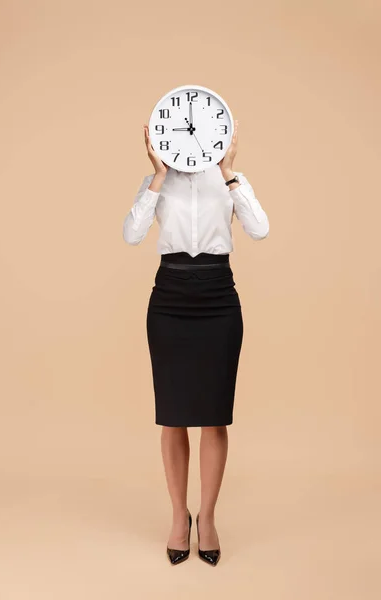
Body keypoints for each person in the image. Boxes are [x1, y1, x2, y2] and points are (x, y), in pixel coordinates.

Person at [122, 121, 269, 566]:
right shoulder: (157, 182)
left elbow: (259, 229)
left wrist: (229, 172)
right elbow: (131, 234)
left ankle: (206, 518)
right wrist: (158, 176)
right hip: (169, 298)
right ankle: (176, 517)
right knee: (173, 415)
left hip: (218, 297)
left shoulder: (227, 179)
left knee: (212, 415)